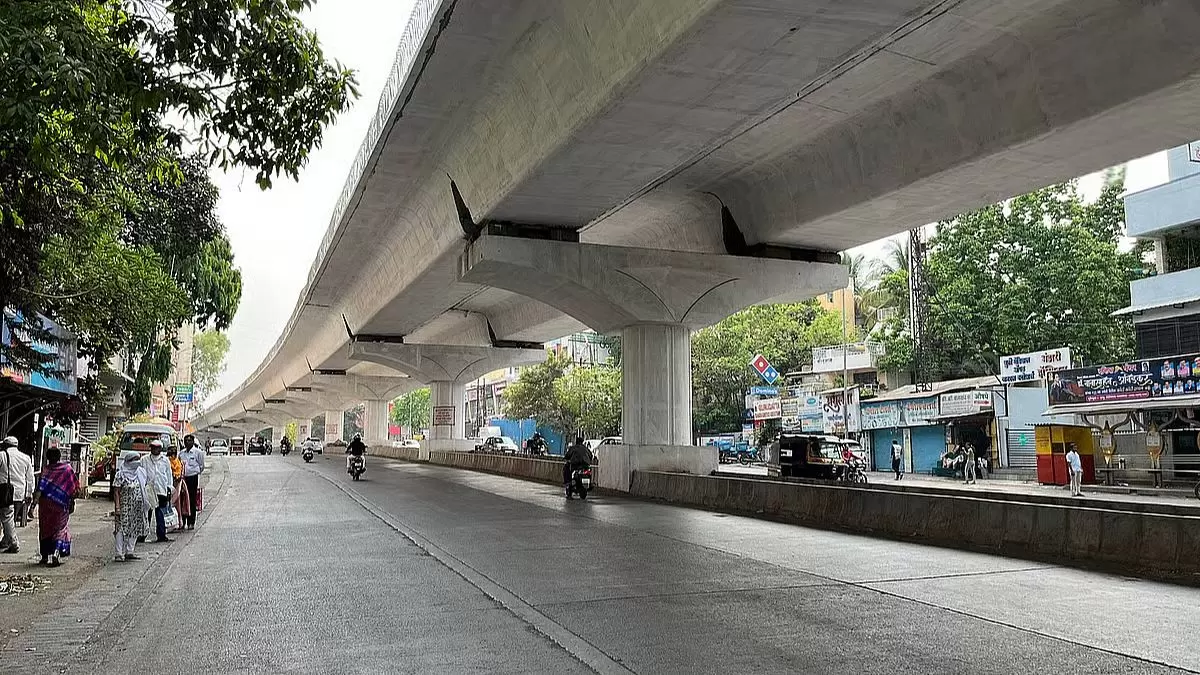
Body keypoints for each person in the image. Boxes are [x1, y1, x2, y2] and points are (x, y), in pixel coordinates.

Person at [30, 446, 78, 566]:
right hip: (61, 505)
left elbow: (39, 489)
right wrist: (72, 502)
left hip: (46, 505)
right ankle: (56, 552)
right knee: (61, 528)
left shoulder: (46, 470)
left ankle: (44, 556)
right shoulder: (67, 469)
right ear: (59, 457)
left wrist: (33, 506)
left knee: (45, 529)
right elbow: (74, 488)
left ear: (47, 458)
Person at [0, 436, 36, 554]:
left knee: (7, 518)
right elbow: (30, 478)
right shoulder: (25, 458)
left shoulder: (1, 455)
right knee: (11, 518)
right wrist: (29, 493)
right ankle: (6, 542)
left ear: (5, 445)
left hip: (4, 491)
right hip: (19, 493)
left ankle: (14, 543)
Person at [113, 451, 149, 561]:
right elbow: (116, 492)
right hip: (124, 506)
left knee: (135, 527)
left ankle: (130, 551)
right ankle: (119, 553)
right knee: (121, 528)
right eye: (134, 460)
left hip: (137, 506)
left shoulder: (141, 473)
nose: (136, 462)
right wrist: (117, 508)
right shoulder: (121, 474)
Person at [144, 440, 174, 543]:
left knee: (160, 513)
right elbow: (143, 474)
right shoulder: (145, 459)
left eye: (157, 448)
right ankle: (143, 534)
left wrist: (169, 488)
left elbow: (169, 475)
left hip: (161, 489)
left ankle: (161, 535)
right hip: (149, 489)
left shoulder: (165, 460)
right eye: (153, 447)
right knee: (147, 512)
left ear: (160, 449)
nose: (155, 449)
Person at [178, 435, 205, 530]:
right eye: (186, 441)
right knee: (183, 499)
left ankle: (191, 521)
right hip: (182, 478)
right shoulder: (181, 453)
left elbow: (201, 466)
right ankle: (183, 521)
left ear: (193, 442)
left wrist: (195, 472)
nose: (187, 443)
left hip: (192, 478)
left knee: (192, 499)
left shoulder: (198, 452)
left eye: (189, 441)